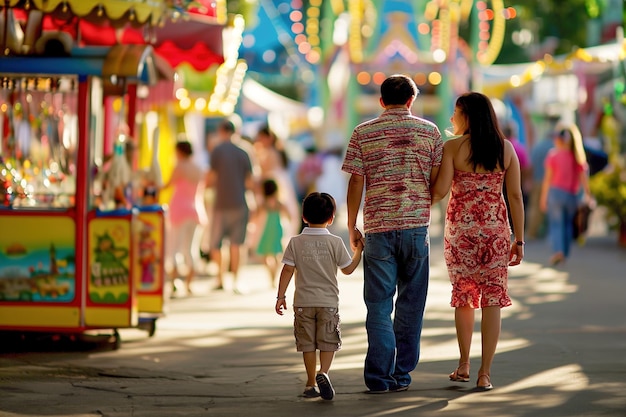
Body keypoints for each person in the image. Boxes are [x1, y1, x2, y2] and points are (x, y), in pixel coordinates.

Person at [341, 74, 443, 393]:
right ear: (412, 100)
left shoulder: (363, 132)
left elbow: (356, 180)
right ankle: (401, 375)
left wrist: (351, 224)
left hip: (377, 229)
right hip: (415, 229)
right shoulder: (430, 132)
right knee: (412, 304)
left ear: (381, 100)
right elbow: (437, 181)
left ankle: (378, 378)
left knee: (379, 305)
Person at [431, 92, 525, 391]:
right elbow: (515, 197)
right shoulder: (505, 148)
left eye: (455, 113)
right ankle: (485, 372)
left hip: (461, 235)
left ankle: (463, 364)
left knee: (464, 297)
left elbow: (441, 191)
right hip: (496, 233)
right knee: (492, 300)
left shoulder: (452, 147)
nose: (451, 119)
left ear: (467, 116)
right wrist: (518, 239)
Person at [275, 192, 363, 400]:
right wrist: (359, 251)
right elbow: (347, 269)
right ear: (331, 217)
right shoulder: (335, 242)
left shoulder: (295, 242)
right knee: (327, 341)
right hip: (328, 303)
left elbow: (287, 270)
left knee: (307, 344)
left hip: (303, 303)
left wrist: (280, 296)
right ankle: (323, 372)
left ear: (304, 217)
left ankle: (310, 383)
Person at [206, 120, 254, 293]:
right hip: (240, 201)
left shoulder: (217, 151)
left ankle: (220, 278)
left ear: (221, 130)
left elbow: (211, 177)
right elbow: (250, 181)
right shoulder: (245, 151)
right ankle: (236, 280)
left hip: (221, 202)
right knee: (237, 244)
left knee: (216, 243)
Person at [540, 124, 591, 265]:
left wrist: (543, 197)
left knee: (556, 224)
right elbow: (583, 179)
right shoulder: (577, 157)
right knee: (568, 224)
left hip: (556, 193)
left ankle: (558, 252)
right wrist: (588, 194)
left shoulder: (553, 155)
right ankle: (565, 253)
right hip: (571, 196)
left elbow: (547, 179)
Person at [162, 139, 206, 295]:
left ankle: (174, 283)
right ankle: (189, 284)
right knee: (191, 250)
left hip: (179, 210)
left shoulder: (180, 167)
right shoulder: (198, 168)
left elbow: (167, 185)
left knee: (174, 248)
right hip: (195, 210)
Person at [256, 179, 290, 288]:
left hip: (267, 230)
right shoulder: (279, 203)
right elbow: (288, 215)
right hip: (277, 229)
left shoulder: (264, 204)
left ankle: (271, 276)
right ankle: (273, 276)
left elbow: (256, 215)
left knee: (266, 254)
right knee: (276, 254)